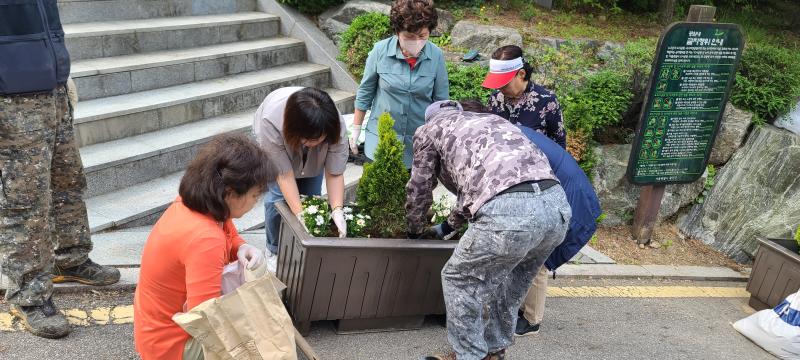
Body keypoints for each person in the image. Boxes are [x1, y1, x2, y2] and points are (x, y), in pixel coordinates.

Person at [407, 101, 572, 360]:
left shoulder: (429, 130)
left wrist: (414, 228)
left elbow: (420, 186)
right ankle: (494, 351)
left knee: (459, 279)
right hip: (556, 206)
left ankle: (469, 355)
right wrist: (447, 226)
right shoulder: (493, 123)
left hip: (509, 213)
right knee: (514, 282)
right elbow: (486, 184)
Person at [0, 0, 121, 339]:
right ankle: (28, 296)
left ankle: (69, 259)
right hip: (11, 100)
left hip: (53, 89)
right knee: (25, 202)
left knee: (68, 182)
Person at [461, 100, 602, 337]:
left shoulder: (504, 137)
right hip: (558, 192)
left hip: (570, 197)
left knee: (538, 259)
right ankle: (520, 309)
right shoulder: (507, 130)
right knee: (527, 253)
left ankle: (531, 319)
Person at [134, 134, 274, 360]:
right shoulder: (205, 240)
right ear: (229, 193)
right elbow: (205, 319)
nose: (255, 201)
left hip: (153, 327)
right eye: (255, 195)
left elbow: (225, 225)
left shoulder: (193, 204)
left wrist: (239, 245)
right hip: (172, 343)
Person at [350, 0, 449, 167]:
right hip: (381, 139)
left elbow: (441, 102)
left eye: (423, 36)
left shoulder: (436, 55)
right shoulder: (379, 51)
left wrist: (442, 138)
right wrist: (356, 128)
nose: (417, 41)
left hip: (419, 144)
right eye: (410, 36)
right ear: (397, 32)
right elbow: (365, 92)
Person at [254, 87, 349, 255]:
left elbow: (334, 172)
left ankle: (302, 248)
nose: (315, 143)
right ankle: (274, 249)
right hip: (279, 139)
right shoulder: (270, 122)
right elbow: (284, 175)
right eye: (310, 140)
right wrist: (300, 215)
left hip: (307, 133)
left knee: (311, 196)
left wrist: (337, 209)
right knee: (278, 199)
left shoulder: (334, 125)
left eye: (320, 139)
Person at [483, 45, 567, 149]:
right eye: (497, 83)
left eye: (504, 84)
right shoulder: (495, 98)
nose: (500, 88)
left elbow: (558, 142)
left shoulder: (546, 100)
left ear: (521, 74)